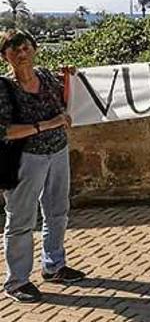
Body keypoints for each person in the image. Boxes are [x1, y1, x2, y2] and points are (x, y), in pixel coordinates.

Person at [0, 30, 85, 303]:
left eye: (25, 48)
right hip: (25, 159)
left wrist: (70, 79)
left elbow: (64, 102)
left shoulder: (46, 76)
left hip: (57, 152)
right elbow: (4, 131)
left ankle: (54, 265)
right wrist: (45, 125)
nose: (22, 55)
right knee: (21, 220)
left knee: (57, 211)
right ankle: (17, 281)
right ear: (5, 57)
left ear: (34, 49)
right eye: (14, 51)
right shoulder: (3, 88)